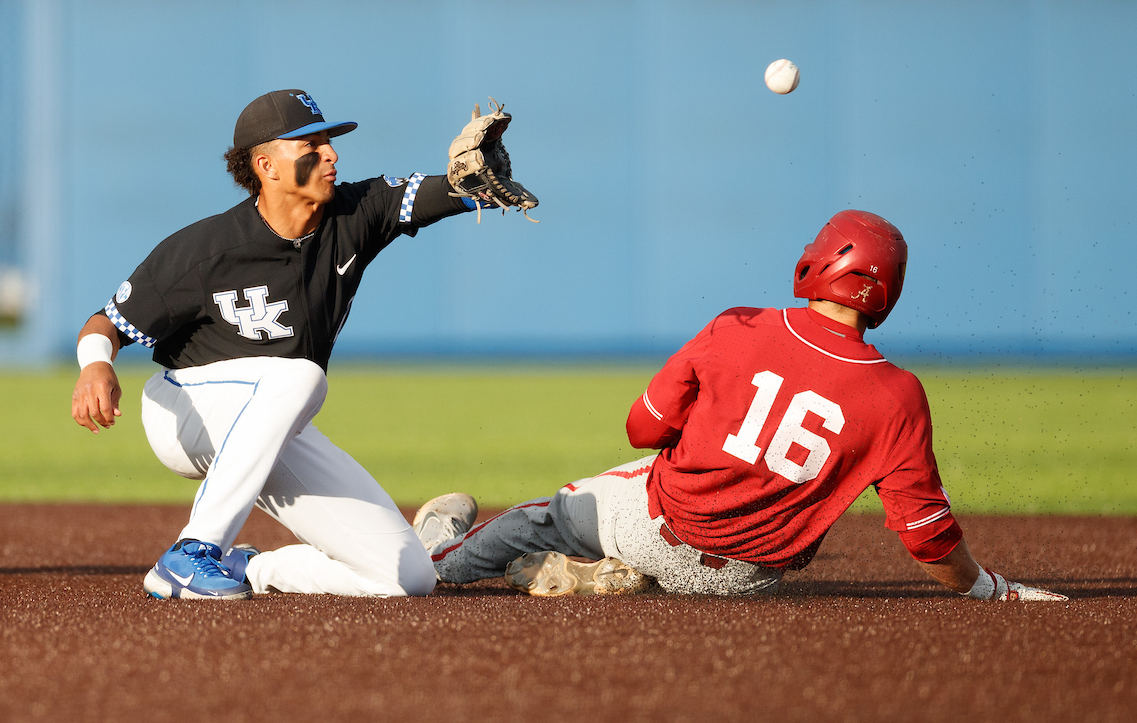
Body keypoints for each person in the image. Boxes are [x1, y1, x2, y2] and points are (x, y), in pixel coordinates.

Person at [413, 210, 1068, 601]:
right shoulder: (898, 395)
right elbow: (928, 539)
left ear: (821, 263)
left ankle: (436, 558)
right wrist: (991, 588)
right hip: (747, 581)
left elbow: (642, 428)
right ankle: (610, 577)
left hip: (654, 524)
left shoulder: (742, 326)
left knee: (545, 514)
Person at [71, 89, 534, 600]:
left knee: (408, 577)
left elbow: (435, 193)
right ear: (266, 164)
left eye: (329, 142)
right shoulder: (206, 250)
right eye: (310, 145)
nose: (330, 154)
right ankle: (191, 553)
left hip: (271, 421)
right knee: (300, 375)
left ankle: (251, 570)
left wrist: (466, 187)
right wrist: (96, 366)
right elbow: (106, 322)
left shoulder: (353, 215)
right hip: (184, 409)